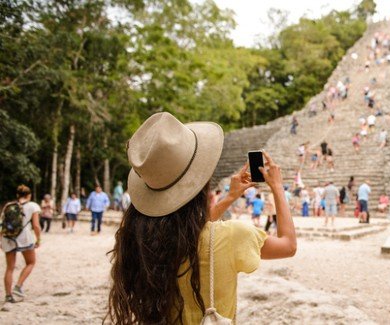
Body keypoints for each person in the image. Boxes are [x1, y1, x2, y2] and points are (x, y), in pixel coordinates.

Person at [106, 112, 296, 324]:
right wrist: (277, 188)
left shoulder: (142, 239)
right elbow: (288, 246)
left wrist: (229, 197)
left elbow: (192, 230)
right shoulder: (232, 236)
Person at [2, 185, 41, 303]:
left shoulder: (8, 206)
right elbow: (36, 225)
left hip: (8, 238)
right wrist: (38, 239)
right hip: (24, 238)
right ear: (29, 195)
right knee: (31, 262)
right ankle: (18, 286)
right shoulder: (33, 206)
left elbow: (2, 223)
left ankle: (8, 295)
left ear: (17, 195)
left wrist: (0, 240)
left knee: (10, 268)